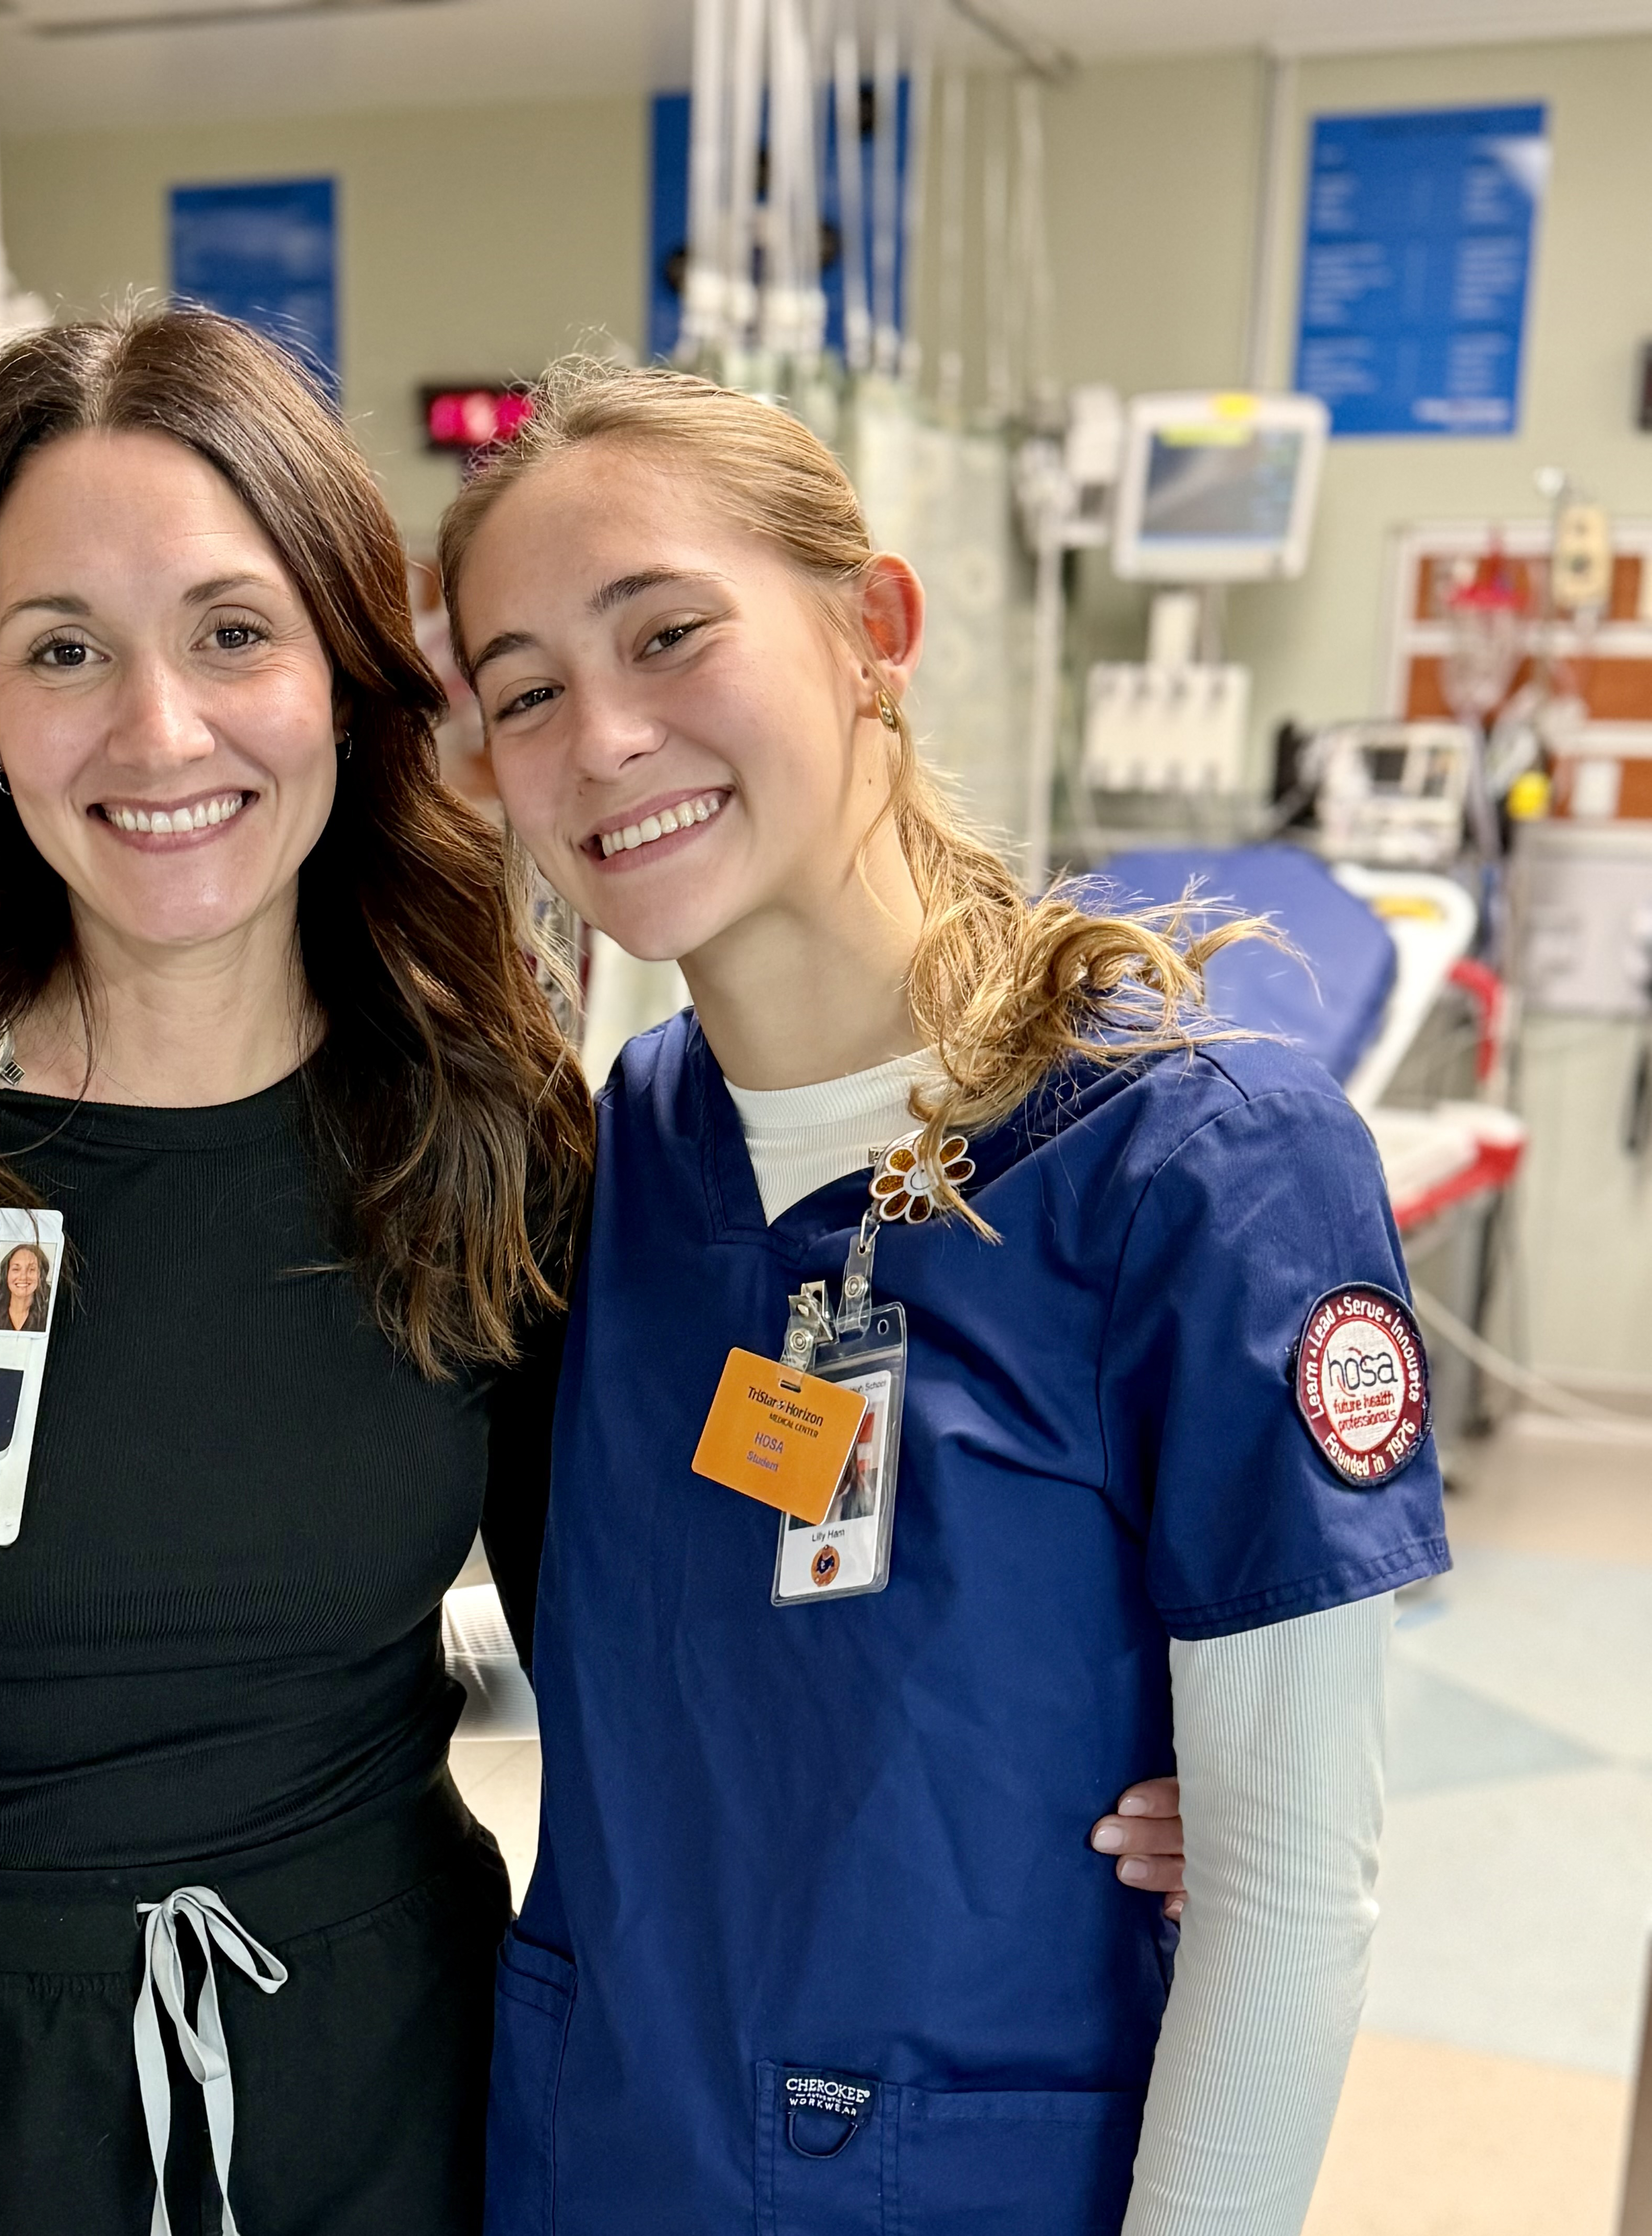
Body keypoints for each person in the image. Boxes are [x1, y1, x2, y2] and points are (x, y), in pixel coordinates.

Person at [437, 358, 1450, 2236]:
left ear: (870, 630)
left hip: (969, 2179)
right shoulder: (619, 1151)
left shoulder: (1196, 1158)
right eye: (523, 692)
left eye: (667, 633)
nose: (602, 736)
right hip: (596, 2150)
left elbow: (1292, 1879)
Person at [0, 310, 589, 2236]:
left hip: (402, 2075)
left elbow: (617, 1648)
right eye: (62, 648)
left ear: (344, 667)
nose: (159, 731)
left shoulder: (477, 1103)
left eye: (233, 631)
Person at [0, 1240, 51, 1331]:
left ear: (41, 1276)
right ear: (6, 1274)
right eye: (16, 1269)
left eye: (32, 1269)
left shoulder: (50, 1316)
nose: (23, 1277)